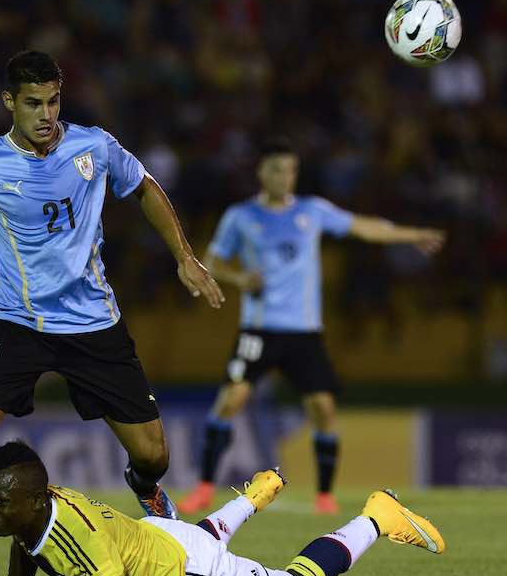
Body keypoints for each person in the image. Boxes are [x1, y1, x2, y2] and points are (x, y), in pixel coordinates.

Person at [0, 50, 225, 576]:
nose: (46, 114)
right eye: (33, 103)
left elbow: (146, 189)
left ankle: (143, 486)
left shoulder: (93, 146)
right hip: (20, 322)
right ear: (9, 102)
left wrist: (184, 257)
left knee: (155, 455)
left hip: (94, 323)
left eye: (54, 100)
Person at [178, 136, 445, 516]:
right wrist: (239, 280)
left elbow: (363, 227)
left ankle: (324, 495)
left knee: (323, 407)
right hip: (259, 329)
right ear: (261, 172)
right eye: (277, 169)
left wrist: (411, 234)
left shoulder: (312, 210)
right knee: (230, 401)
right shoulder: (241, 216)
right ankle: (204, 487)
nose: (285, 176)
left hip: (304, 332)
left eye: (290, 170)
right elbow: (212, 262)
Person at [0, 440, 445, 576]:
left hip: (182, 569)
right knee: (200, 537)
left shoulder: (77, 534)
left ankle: (376, 517)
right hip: (161, 533)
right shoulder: (37, 508)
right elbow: (26, 542)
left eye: (0, 502)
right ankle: (253, 498)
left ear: (33, 499)